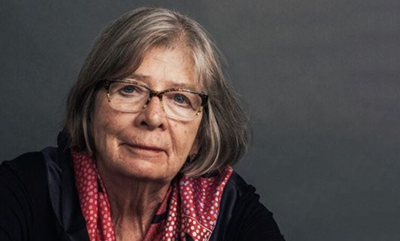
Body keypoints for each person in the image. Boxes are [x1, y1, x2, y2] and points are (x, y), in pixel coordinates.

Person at [0, 7, 285, 241]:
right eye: (129, 89)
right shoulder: (23, 188)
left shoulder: (231, 209)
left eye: (180, 99)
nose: (153, 117)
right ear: (90, 107)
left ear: (200, 136)